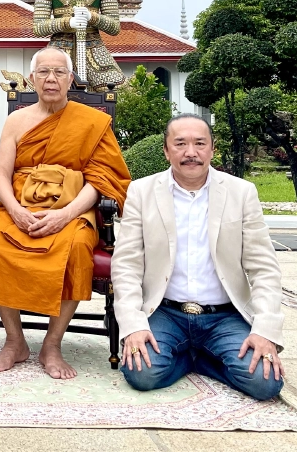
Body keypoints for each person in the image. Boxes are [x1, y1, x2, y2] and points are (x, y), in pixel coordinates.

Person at [0, 46, 130, 379]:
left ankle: (52, 344)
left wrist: (65, 214)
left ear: (70, 79)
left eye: (58, 73)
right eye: (43, 72)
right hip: (20, 206)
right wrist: (13, 209)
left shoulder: (92, 122)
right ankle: (15, 342)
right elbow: (1, 174)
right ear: (31, 79)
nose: (51, 79)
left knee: (76, 249)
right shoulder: (17, 121)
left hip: (73, 208)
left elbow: (101, 180)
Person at [110, 113, 284, 400]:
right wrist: (133, 325)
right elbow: (126, 264)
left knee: (264, 383)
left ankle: (199, 359)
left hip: (223, 315)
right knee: (143, 373)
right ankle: (194, 358)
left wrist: (265, 329)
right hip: (165, 311)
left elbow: (264, 267)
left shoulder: (241, 192)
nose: (191, 153)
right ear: (166, 150)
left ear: (212, 149)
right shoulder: (141, 192)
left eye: (200, 143)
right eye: (180, 144)